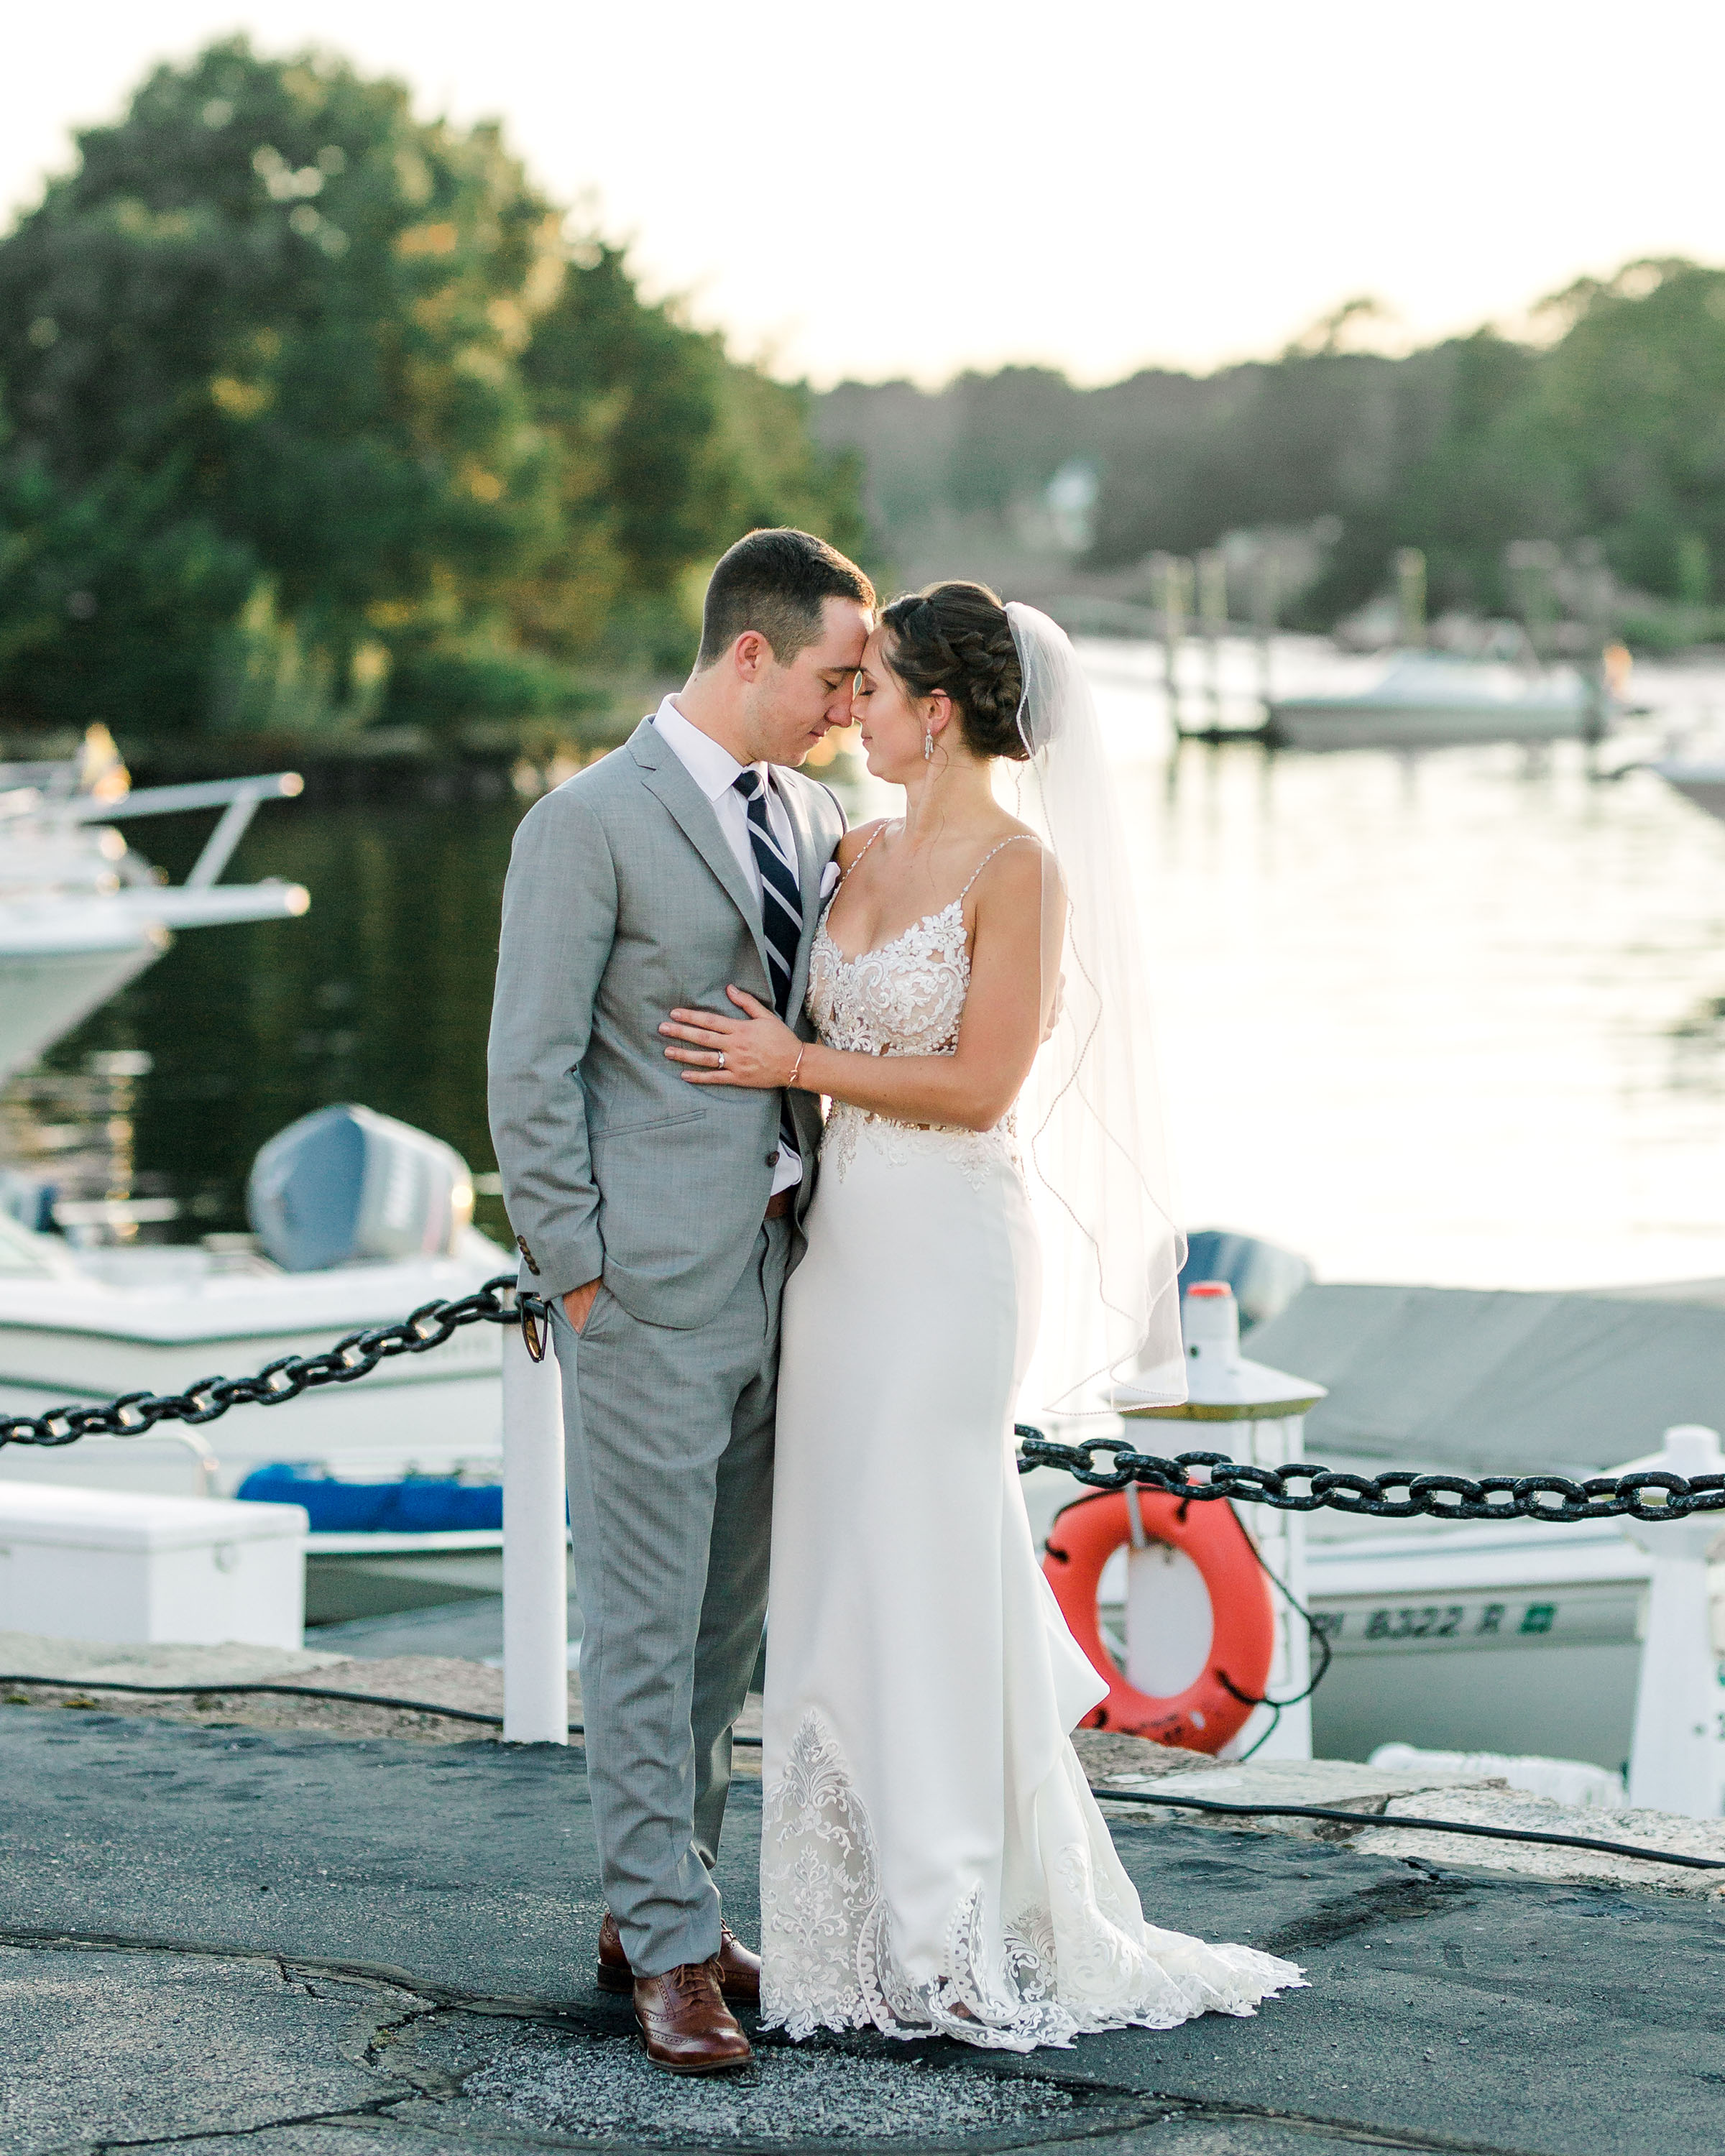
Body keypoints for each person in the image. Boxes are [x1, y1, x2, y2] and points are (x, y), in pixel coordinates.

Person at [658, 581, 1305, 2050]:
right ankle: (846, 1928)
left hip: (948, 1250)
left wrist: (791, 1066)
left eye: (871, 686)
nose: (850, 709)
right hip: (837, 1260)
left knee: (937, 1559)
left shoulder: (1020, 873)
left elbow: (980, 1086)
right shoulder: (853, 849)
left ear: (934, 708)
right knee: (837, 1572)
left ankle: (953, 1934)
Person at [488, 528, 873, 2074]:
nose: (854, 704)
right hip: (641, 1291)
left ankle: (672, 1902)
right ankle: (665, 1953)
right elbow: (529, 1069)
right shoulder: (586, 821)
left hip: (784, 1274)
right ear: (752, 654)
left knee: (725, 1629)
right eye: (839, 675)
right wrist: (580, 1277)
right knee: (643, 1627)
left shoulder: (818, 808)